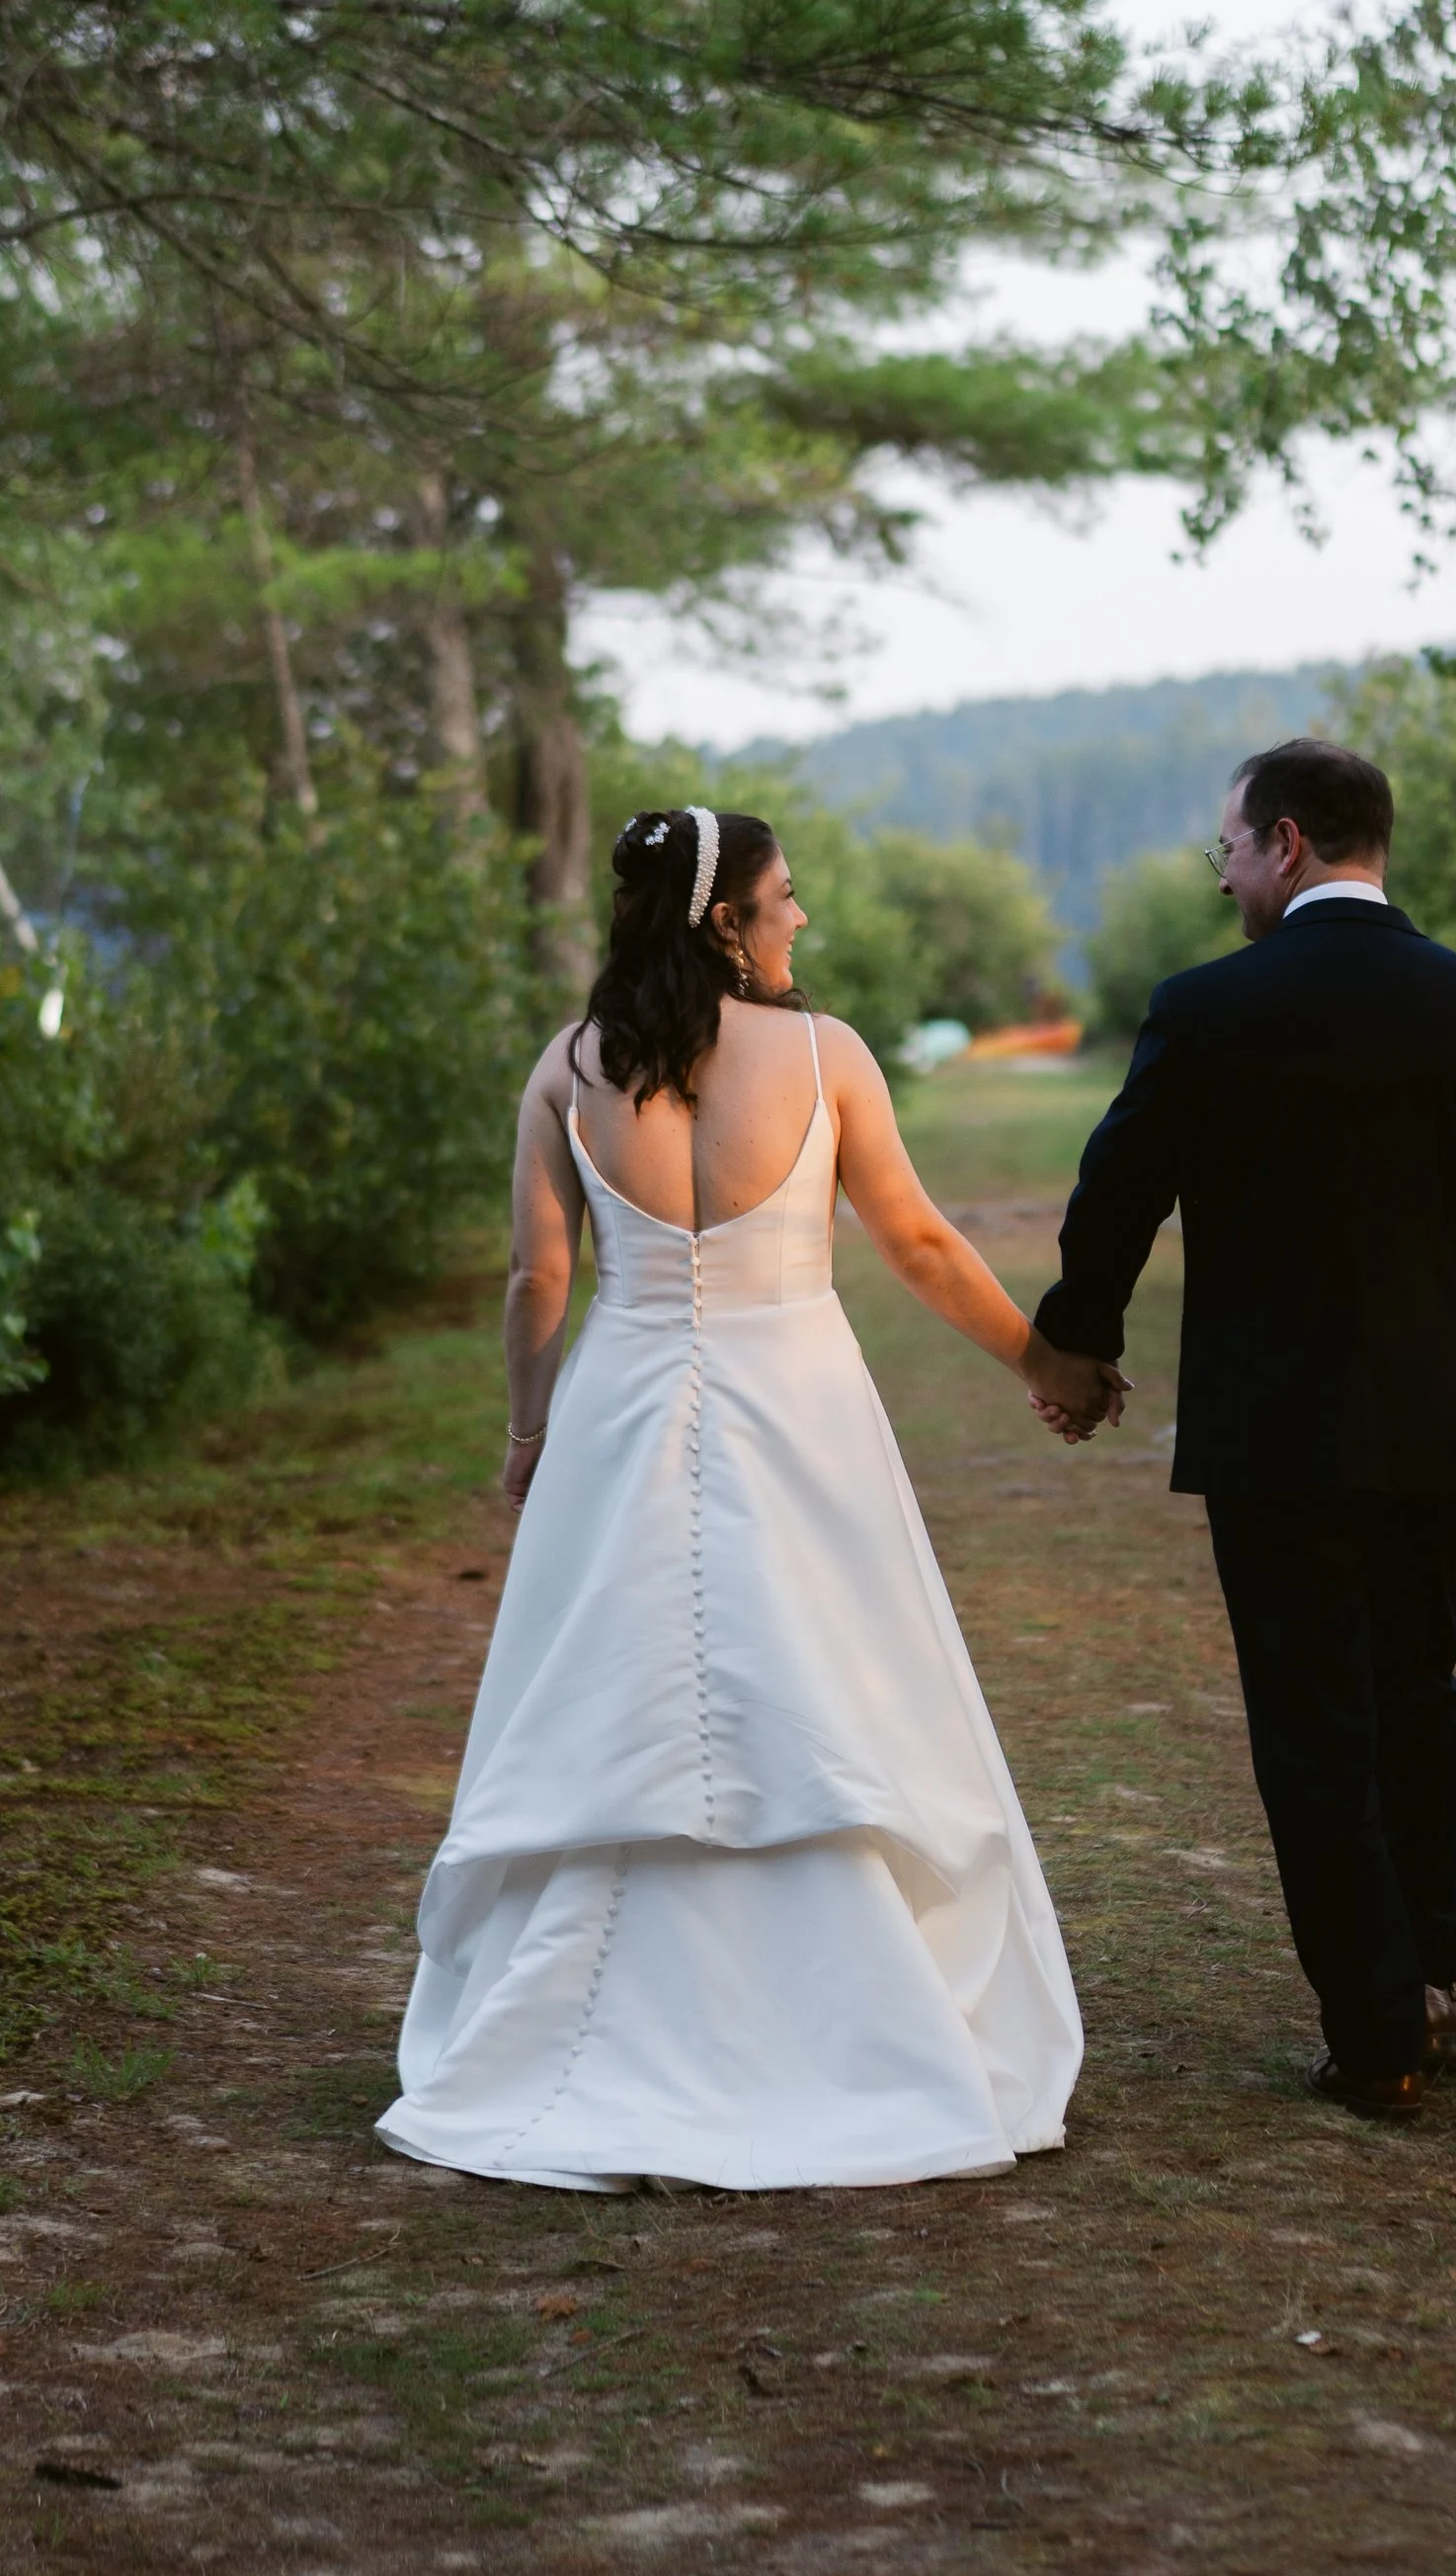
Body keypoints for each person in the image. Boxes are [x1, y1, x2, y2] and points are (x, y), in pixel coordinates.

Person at [377, 805, 1109, 2194]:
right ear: (728, 920)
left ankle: (584, 2029)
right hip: (799, 1402)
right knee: (825, 1680)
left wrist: (529, 1431)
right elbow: (915, 1238)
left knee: (618, 1688)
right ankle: (852, 2018)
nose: (800, 918)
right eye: (786, 897)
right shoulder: (826, 1054)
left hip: (623, 1407)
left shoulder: (570, 1064)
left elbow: (539, 1277)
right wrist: (1042, 1361)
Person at [1028, 736, 1456, 2119]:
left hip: (1275, 1435)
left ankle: (1379, 2027)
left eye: (1227, 849)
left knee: (1314, 1722)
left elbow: (1118, 1190)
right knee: (1417, 1694)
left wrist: (1081, 1340)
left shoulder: (1208, 1008)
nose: (1222, 877)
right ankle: (1427, 1971)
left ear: (1285, 841)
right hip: (1442, 1429)